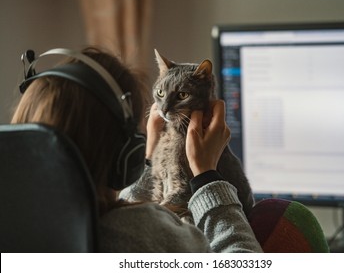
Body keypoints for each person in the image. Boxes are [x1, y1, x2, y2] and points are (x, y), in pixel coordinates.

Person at [11, 47, 262, 253]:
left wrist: (151, 158)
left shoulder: (17, 228)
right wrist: (207, 176)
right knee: (279, 215)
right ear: (127, 157)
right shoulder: (143, 233)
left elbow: (120, 202)